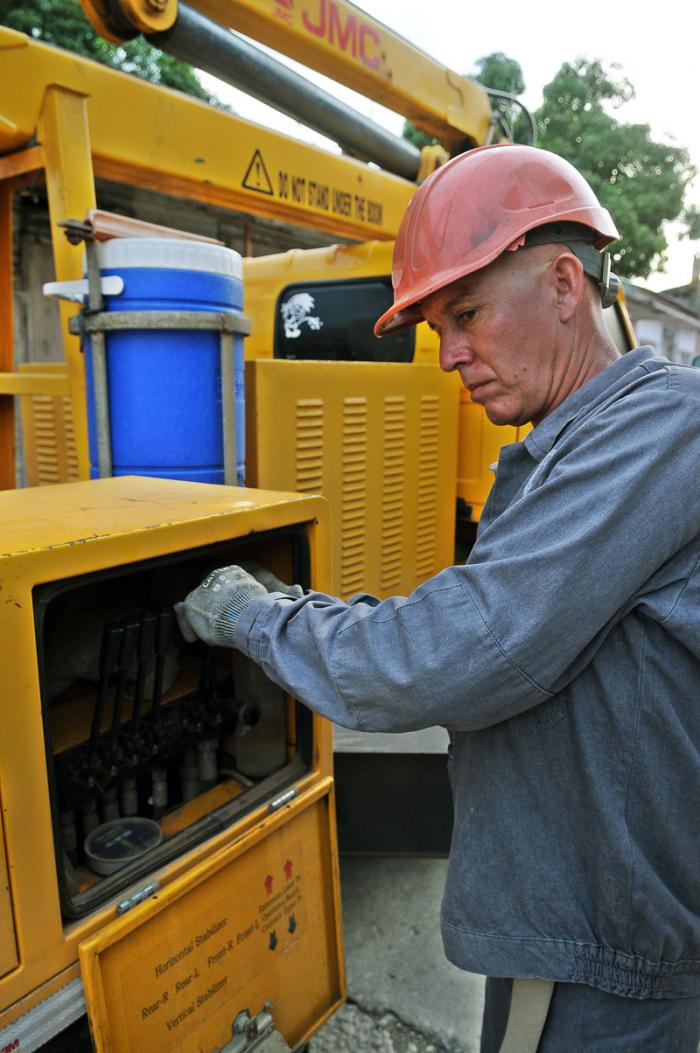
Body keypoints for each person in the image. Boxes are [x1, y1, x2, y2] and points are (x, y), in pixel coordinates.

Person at [176, 144, 700, 1052]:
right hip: (587, 931)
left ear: (565, 284)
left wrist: (255, 617)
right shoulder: (569, 445)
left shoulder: (658, 430)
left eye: (467, 313)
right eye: (437, 328)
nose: (451, 355)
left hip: (607, 960)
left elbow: (458, 652)